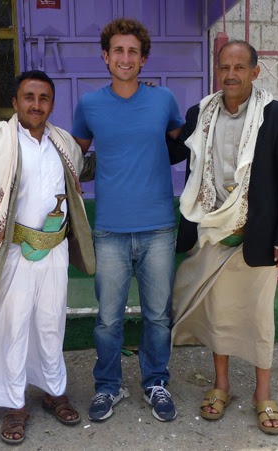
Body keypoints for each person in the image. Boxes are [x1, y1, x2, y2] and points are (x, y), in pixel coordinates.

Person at [0, 70, 95, 445]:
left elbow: (86, 169)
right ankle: (15, 405)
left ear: (52, 104)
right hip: (11, 250)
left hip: (54, 251)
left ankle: (53, 391)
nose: (36, 104)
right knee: (13, 327)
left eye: (44, 98)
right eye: (29, 97)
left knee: (50, 324)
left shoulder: (63, 143)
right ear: (15, 103)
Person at [171, 41, 278, 435]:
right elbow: (173, 153)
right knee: (221, 314)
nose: (231, 74)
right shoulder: (200, 113)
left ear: (254, 72)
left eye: (239, 67)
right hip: (212, 231)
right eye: (224, 67)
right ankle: (221, 386)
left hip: (257, 234)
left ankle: (263, 393)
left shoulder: (277, 116)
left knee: (259, 317)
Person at [71, 18, 183, 422]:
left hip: (157, 226)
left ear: (143, 58)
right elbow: (74, 159)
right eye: (117, 50)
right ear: (105, 56)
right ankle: (108, 387)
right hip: (109, 229)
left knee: (157, 315)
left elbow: (182, 145)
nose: (125, 57)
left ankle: (156, 383)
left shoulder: (164, 100)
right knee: (107, 318)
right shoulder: (89, 105)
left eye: (133, 51)